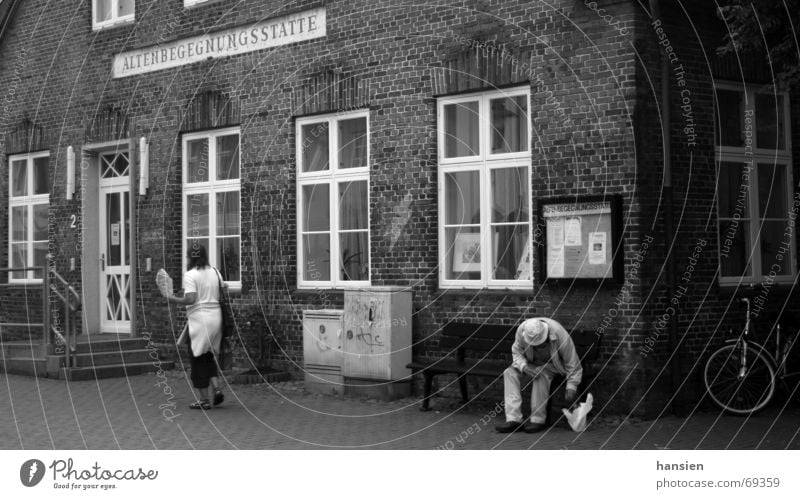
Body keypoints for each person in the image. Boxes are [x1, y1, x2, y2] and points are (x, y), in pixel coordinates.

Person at [495, 318, 582, 433]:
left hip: (553, 365)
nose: (538, 347)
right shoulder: (522, 330)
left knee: (540, 374)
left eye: (540, 344)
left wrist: (572, 385)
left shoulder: (559, 334)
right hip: (530, 363)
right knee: (509, 373)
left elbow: (572, 362)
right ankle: (513, 420)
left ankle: (537, 420)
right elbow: (516, 352)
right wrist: (524, 367)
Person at [166, 244, 225, 410]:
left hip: (200, 320)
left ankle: (204, 400)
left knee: (197, 358)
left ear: (190, 257)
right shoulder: (215, 272)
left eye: (187, 256)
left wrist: (173, 299)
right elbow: (221, 293)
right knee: (208, 356)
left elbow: (190, 299)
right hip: (216, 318)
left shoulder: (191, 275)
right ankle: (217, 388)